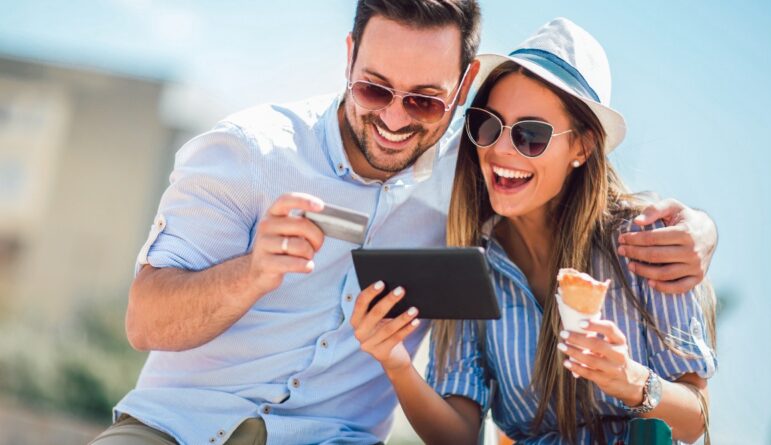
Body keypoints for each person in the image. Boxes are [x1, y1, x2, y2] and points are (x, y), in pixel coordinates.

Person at [90, 2, 717, 444]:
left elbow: (693, 417)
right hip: (179, 429)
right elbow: (145, 321)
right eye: (373, 89)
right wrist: (251, 273)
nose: (394, 118)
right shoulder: (251, 153)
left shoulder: (475, 186)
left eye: (423, 99)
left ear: (462, 86)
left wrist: (701, 230)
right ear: (348, 58)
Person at [352, 18, 716, 444]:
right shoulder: (474, 266)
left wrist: (629, 378)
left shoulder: (646, 244)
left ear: (581, 147)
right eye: (488, 125)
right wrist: (395, 362)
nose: (500, 148)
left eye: (531, 135)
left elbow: (696, 420)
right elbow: (459, 436)